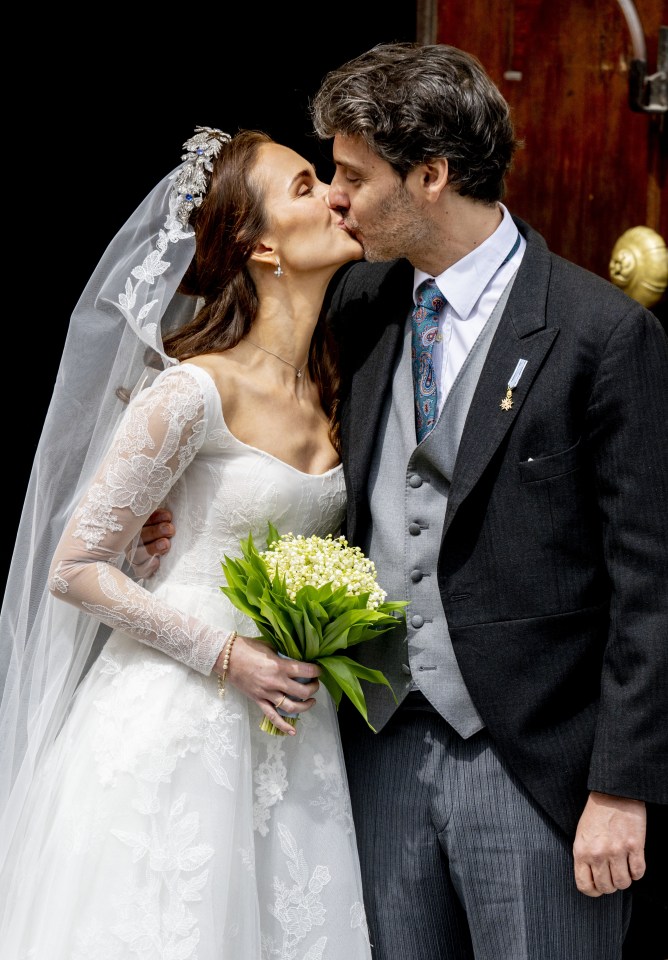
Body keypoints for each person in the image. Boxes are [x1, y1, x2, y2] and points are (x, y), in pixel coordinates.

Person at [142, 43, 668, 960]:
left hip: (534, 769)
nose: (335, 197)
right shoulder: (359, 307)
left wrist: (621, 789)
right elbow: (269, 437)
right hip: (369, 751)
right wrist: (172, 508)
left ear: (430, 175)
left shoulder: (601, 334)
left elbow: (650, 582)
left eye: (351, 175)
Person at [0, 125, 373, 959]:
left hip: (291, 736)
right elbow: (75, 566)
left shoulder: (343, 385)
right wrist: (224, 654)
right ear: (261, 247)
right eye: (307, 186)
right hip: (175, 721)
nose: (337, 195)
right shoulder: (193, 390)